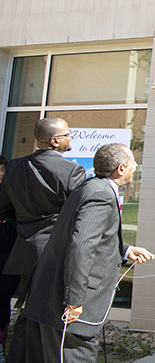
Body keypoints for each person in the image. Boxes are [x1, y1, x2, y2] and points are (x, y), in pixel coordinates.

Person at [22, 143, 153, 363]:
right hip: (66, 311)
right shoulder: (101, 194)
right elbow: (81, 246)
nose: (136, 165)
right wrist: (74, 301)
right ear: (121, 168)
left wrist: (126, 250)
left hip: (49, 302)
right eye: (133, 161)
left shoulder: (90, 187)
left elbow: (84, 235)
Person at [0, 118, 86, 363]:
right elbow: (80, 216)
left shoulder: (14, 167)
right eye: (68, 134)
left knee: (31, 311)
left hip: (27, 250)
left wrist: (25, 215)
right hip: (55, 254)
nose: (71, 138)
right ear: (55, 140)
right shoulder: (72, 171)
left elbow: (2, 209)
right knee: (50, 317)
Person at [0, 156, 18, 354]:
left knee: (3, 301)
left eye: (3, 168)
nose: (1, 173)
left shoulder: (14, 198)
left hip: (6, 262)